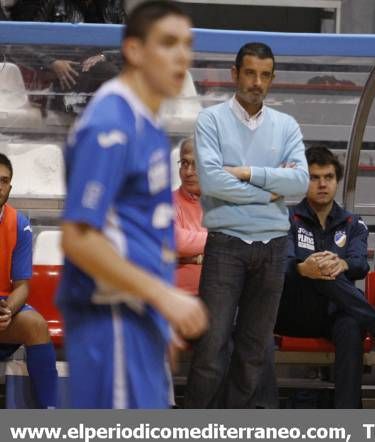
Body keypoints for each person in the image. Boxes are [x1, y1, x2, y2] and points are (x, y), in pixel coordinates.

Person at [57, 1, 207, 409]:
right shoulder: (110, 124)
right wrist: (162, 295)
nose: (182, 56)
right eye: (168, 43)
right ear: (135, 51)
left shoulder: (150, 126)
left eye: (187, 44)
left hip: (139, 315)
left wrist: (157, 310)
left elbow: (141, 232)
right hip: (111, 319)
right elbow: (78, 238)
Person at [185, 42, 310, 409]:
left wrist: (246, 173)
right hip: (226, 244)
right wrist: (271, 190)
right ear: (234, 73)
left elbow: (299, 184)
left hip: (273, 247)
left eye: (265, 75)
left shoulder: (286, 126)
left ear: (272, 78)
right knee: (211, 348)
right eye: (250, 73)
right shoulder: (211, 120)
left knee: (254, 352)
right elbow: (211, 182)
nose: (257, 82)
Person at [274, 146, 375, 409]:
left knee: (350, 324)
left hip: (335, 312)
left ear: (337, 182)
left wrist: (342, 263)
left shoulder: (353, 223)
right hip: (292, 311)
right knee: (319, 271)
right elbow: (282, 265)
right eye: (314, 178)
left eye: (328, 177)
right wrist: (306, 268)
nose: (322, 184)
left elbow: (360, 265)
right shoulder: (287, 218)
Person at [0, 153, 58, 409]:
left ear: (10, 187)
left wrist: (7, 311)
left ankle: (50, 414)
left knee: (36, 325)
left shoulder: (18, 223)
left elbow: (22, 285)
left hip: (3, 309)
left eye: (4, 180)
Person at [173, 137, 207, 296]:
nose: (188, 172)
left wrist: (188, 257)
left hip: (221, 298)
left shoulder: (225, 203)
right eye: (184, 163)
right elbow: (175, 241)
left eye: (195, 165)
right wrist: (218, 239)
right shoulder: (168, 201)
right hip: (179, 297)